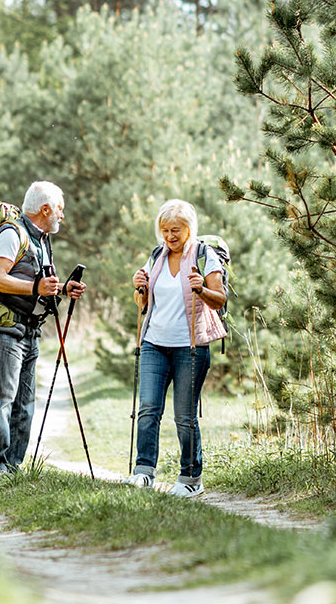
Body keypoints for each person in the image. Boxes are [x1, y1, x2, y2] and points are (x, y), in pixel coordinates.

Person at [0, 180, 86, 477]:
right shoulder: (12, 233)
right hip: (6, 328)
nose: (62, 216)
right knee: (3, 398)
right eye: (60, 209)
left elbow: (38, 285)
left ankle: (12, 468)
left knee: (24, 402)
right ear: (45, 208)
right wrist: (36, 287)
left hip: (31, 329)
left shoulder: (41, 238)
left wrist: (63, 288)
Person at [130, 198, 226, 496]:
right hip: (154, 344)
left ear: (189, 229)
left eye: (176, 230)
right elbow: (143, 304)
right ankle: (144, 471)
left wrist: (202, 288)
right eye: (165, 231)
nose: (170, 237)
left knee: (184, 417)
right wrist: (140, 288)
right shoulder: (157, 255)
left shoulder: (204, 254)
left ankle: (190, 479)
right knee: (147, 409)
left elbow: (219, 299)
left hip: (190, 347)